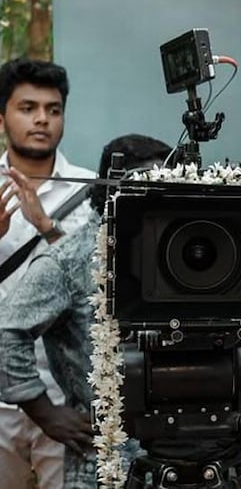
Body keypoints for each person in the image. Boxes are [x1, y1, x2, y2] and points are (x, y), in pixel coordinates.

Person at [0, 134, 171, 488]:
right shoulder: (72, 259)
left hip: (181, 453)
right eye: (145, 188)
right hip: (104, 460)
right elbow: (5, 331)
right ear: (113, 193)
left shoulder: (180, 256)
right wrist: (45, 413)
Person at [0, 57, 95, 489]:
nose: (42, 119)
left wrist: (49, 230)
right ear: (2, 116)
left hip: (66, 396)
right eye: (27, 107)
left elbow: (100, 290)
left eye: (53, 110)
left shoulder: (91, 190)